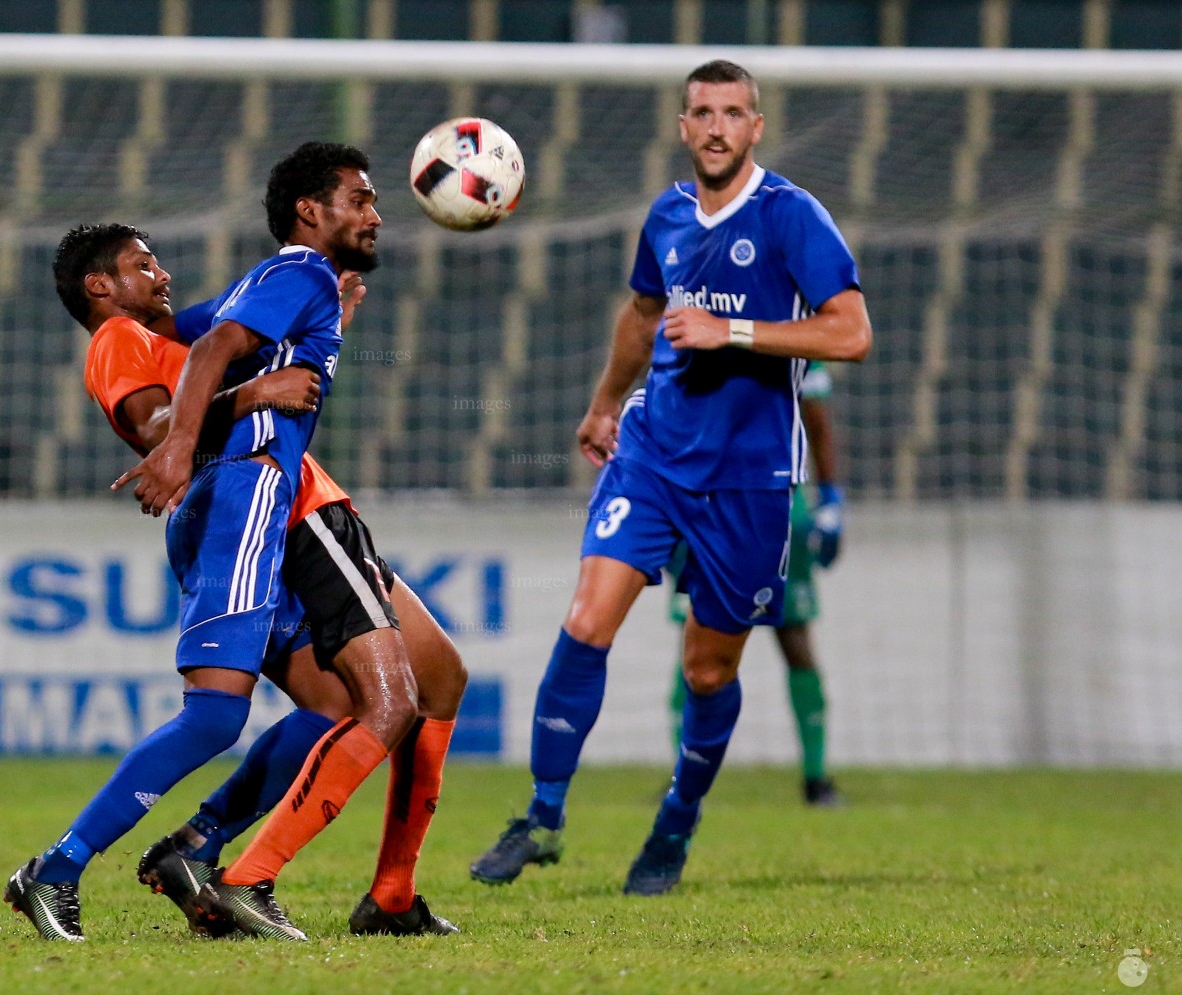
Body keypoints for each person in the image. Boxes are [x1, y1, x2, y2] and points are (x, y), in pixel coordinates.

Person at [468, 59, 871, 896]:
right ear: (683, 127)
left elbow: (850, 334)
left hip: (750, 480)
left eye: (733, 113)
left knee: (707, 672)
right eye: (702, 112)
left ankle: (676, 823)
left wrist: (731, 332)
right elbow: (644, 312)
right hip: (651, 453)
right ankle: (541, 816)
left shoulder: (792, 216)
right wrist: (604, 403)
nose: (717, 126)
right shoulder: (664, 214)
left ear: (754, 128)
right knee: (585, 621)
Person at [3, 220, 464, 942]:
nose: (160, 274)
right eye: (140, 264)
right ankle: (58, 867)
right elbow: (157, 424)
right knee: (217, 716)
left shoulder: (169, 337)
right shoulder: (118, 340)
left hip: (272, 514)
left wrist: (321, 317)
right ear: (101, 286)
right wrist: (256, 394)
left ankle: (197, 847)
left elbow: (237, 326)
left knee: (337, 707)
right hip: (237, 513)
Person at [116, 141, 454, 940]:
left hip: (299, 506)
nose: (376, 214)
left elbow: (181, 332)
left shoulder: (288, 287)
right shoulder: (295, 273)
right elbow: (200, 350)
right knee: (389, 702)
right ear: (311, 210)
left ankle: (388, 894)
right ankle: (243, 875)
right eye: (361, 200)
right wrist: (170, 442)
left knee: (435, 681)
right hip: (297, 507)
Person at [666, 361, 845, 806]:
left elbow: (817, 421)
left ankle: (814, 777)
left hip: (753, 505)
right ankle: (810, 780)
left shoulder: (790, 341)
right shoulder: (702, 332)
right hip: (724, 505)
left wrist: (831, 501)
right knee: (713, 642)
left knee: (781, 638)